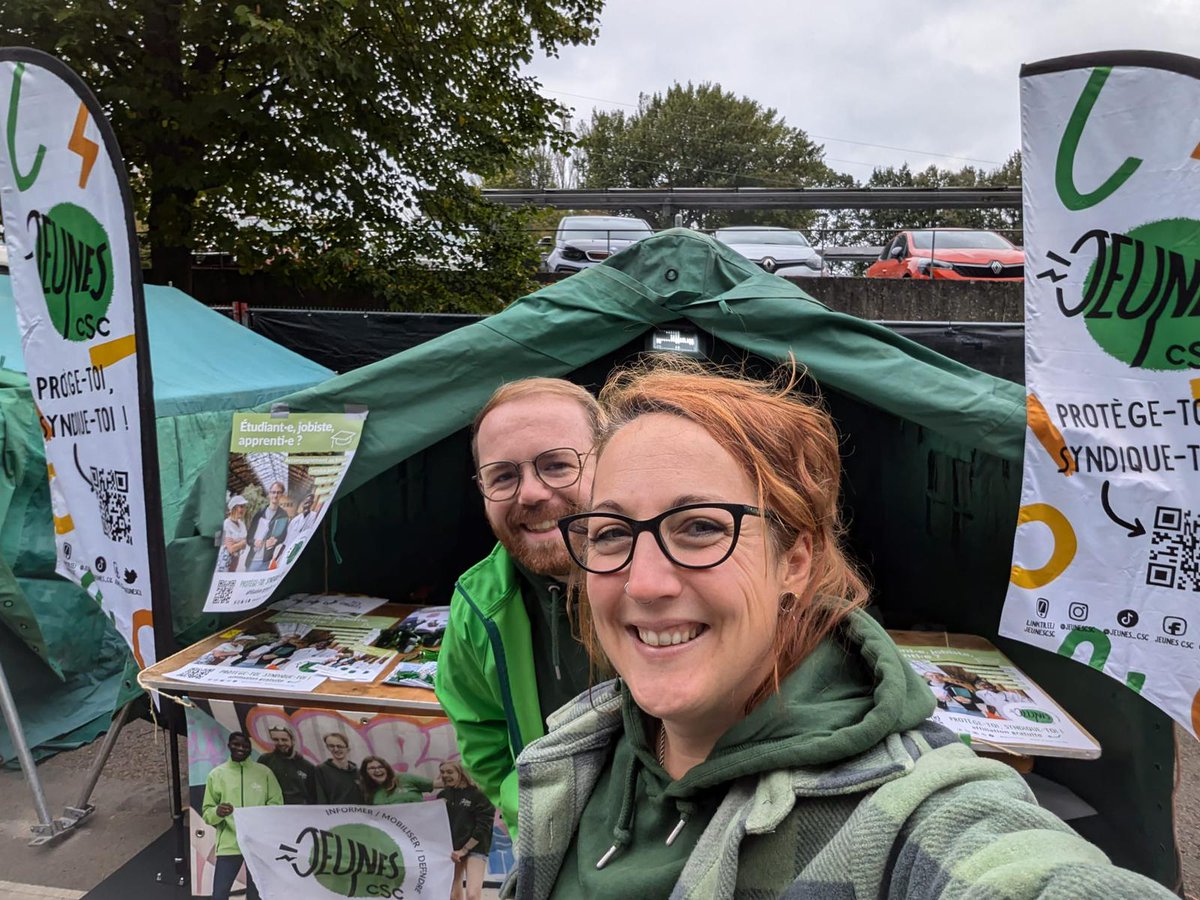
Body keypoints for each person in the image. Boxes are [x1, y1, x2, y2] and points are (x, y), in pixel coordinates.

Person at [510, 360, 1178, 899]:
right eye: (611, 533)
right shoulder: (578, 746)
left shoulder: (906, 811)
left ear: (794, 562)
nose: (645, 583)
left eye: (702, 527)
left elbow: (1012, 868)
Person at [435, 378, 602, 837]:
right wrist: (530, 815)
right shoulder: (477, 606)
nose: (530, 493)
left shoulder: (673, 577)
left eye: (557, 464)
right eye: (504, 475)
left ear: (611, 463)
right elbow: (482, 736)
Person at [201, 731, 283, 900]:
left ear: (250, 748)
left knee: (257, 894)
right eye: (236, 745)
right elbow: (207, 813)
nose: (241, 748)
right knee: (219, 894)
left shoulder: (264, 773)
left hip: (258, 844)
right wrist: (218, 812)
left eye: (245, 746)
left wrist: (260, 818)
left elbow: (277, 805)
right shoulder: (216, 775)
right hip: (229, 843)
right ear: (229, 746)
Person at [437, 760, 494, 900]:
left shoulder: (478, 795)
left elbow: (484, 825)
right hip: (452, 850)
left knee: (472, 895)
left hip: (475, 847)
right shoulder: (442, 796)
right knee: (452, 895)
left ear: (461, 773)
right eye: (442, 772)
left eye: (449, 772)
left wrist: (464, 849)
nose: (445, 775)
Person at [258, 726, 317, 805]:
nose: (280, 743)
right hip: (273, 809)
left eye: (284, 740)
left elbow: (313, 795)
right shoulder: (265, 760)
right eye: (276, 740)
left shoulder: (307, 766)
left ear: (293, 741)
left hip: (299, 812)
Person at [245, 482, 290, 572]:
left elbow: (283, 536)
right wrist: (254, 542)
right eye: (273, 492)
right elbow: (249, 538)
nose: (275, 495)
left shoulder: (283, 515)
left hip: (266, 561)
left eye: (278, 492)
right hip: (252, 559)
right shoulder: (259, 514)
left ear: (282, 495)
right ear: (269, 494)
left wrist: (276, 540)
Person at [359, 755, 434, 804]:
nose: (377, 770)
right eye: (372, 768)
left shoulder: (405, 778)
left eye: (381, 767)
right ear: (366, 772)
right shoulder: (369, 793)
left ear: (387, 768)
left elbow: (437, 784)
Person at [314, 731, 361, 803]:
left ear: (348, 749)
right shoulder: (321, 770)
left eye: (339, 746)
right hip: (334, 813)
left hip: (357, 813)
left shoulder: (358, 773)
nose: (336, 749)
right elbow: (320, 797)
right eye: (331, 746)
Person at [219, 495, 248, 572]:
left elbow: (244, 545)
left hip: (235, 561)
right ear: (234, 508)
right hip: (224, 562)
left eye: (244, 507)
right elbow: (231, 549)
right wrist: (241, 543)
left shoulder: (241, 524)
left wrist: (236, 543)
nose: (243, 509)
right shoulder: (226, 524)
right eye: (241, 506)